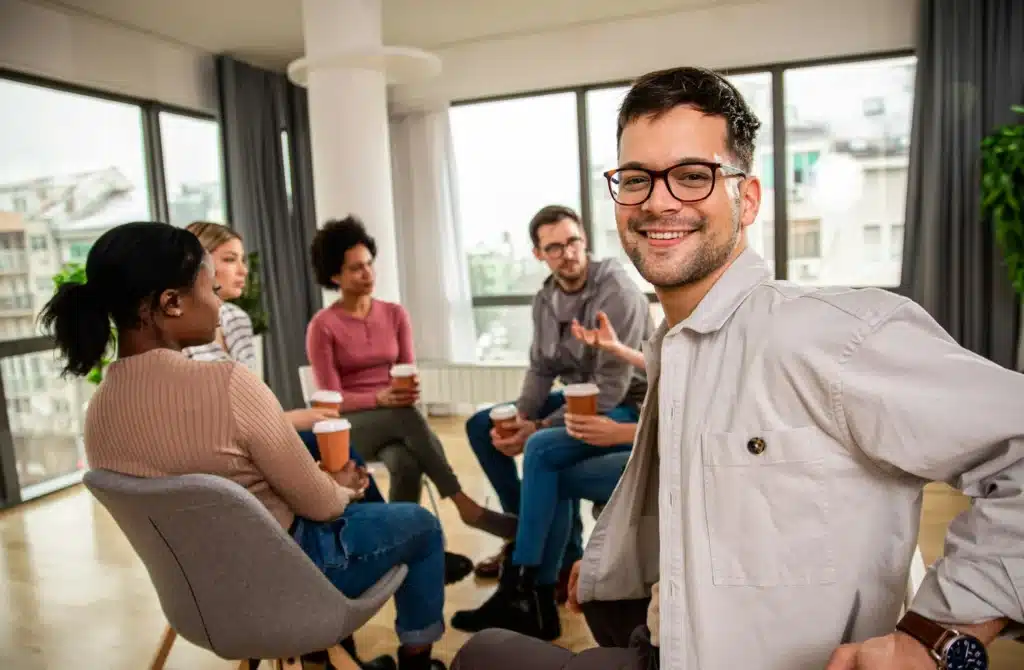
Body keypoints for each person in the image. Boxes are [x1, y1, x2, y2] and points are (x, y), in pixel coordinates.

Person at [459, 66, 1024, 670]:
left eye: (693, 176)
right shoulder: (673, 345)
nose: (658, 200)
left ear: (746, 198)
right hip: (659, 640)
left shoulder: (833, 335)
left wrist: (933, 636)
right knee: (484, 653)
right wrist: (618, 565)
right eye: (636, 178)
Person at [46, 222, 447, 670]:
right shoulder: (228, 384)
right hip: (293, 582)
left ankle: (333, 658)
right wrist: (341, 487)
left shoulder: (98, 413)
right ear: (171, 303)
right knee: (421, 525)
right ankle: (418, 664)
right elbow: (322, 508)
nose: (219, 301)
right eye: (209, 288)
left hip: (199, 602)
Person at [464, 205, 652, 580]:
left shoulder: (617, 292)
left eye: (573, 242)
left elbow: (610, 391)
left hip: (626, 407)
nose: (568, 254)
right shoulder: (544, 299)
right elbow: (541, 368)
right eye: (555, 248)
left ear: (584, 240)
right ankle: (524, 528)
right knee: (481, 425)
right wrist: (522, 415)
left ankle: (530, 570)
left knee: (543, 446)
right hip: (578, 400)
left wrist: (536, 428)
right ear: (538, 254)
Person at [307, 216, 516, 541]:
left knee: (405, 463)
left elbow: (406, 370)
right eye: (355, 268)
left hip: (397, 421)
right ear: (335, 275)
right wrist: (380, 399)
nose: (368, 274)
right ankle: (464, 505)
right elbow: (331, 399)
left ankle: (402, 541)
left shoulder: (394, 314)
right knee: (403, 415)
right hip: (352, 426)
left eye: (369, 264)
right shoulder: (323, 326)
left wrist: (406, 391)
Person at [450, 417, 637, 640]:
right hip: (643, 427)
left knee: (546, 464)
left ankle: (527, 593)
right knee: (541, 451)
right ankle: (534, 599)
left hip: (660, 447)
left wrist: (622, 431)